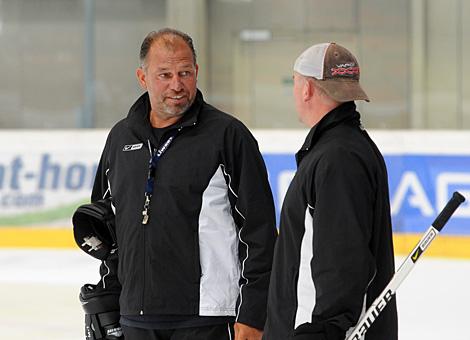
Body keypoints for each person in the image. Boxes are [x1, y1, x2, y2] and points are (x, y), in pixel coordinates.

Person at [81, 28, 277, 340]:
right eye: (165, 74)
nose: (177, 84)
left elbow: (259, 232)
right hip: (136, 317)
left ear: (196, 72)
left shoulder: (227, 136)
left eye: (185, 73)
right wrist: (107, 300)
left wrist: (254, 312)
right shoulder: (121, 139)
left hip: (206, 318)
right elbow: (108, 229)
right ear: (142, 78)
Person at [263, 43, 398, 340]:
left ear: (307, 89)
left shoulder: (338, 159)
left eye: (296, 83)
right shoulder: (340, 149)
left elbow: (342, 265)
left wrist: (320, 333)